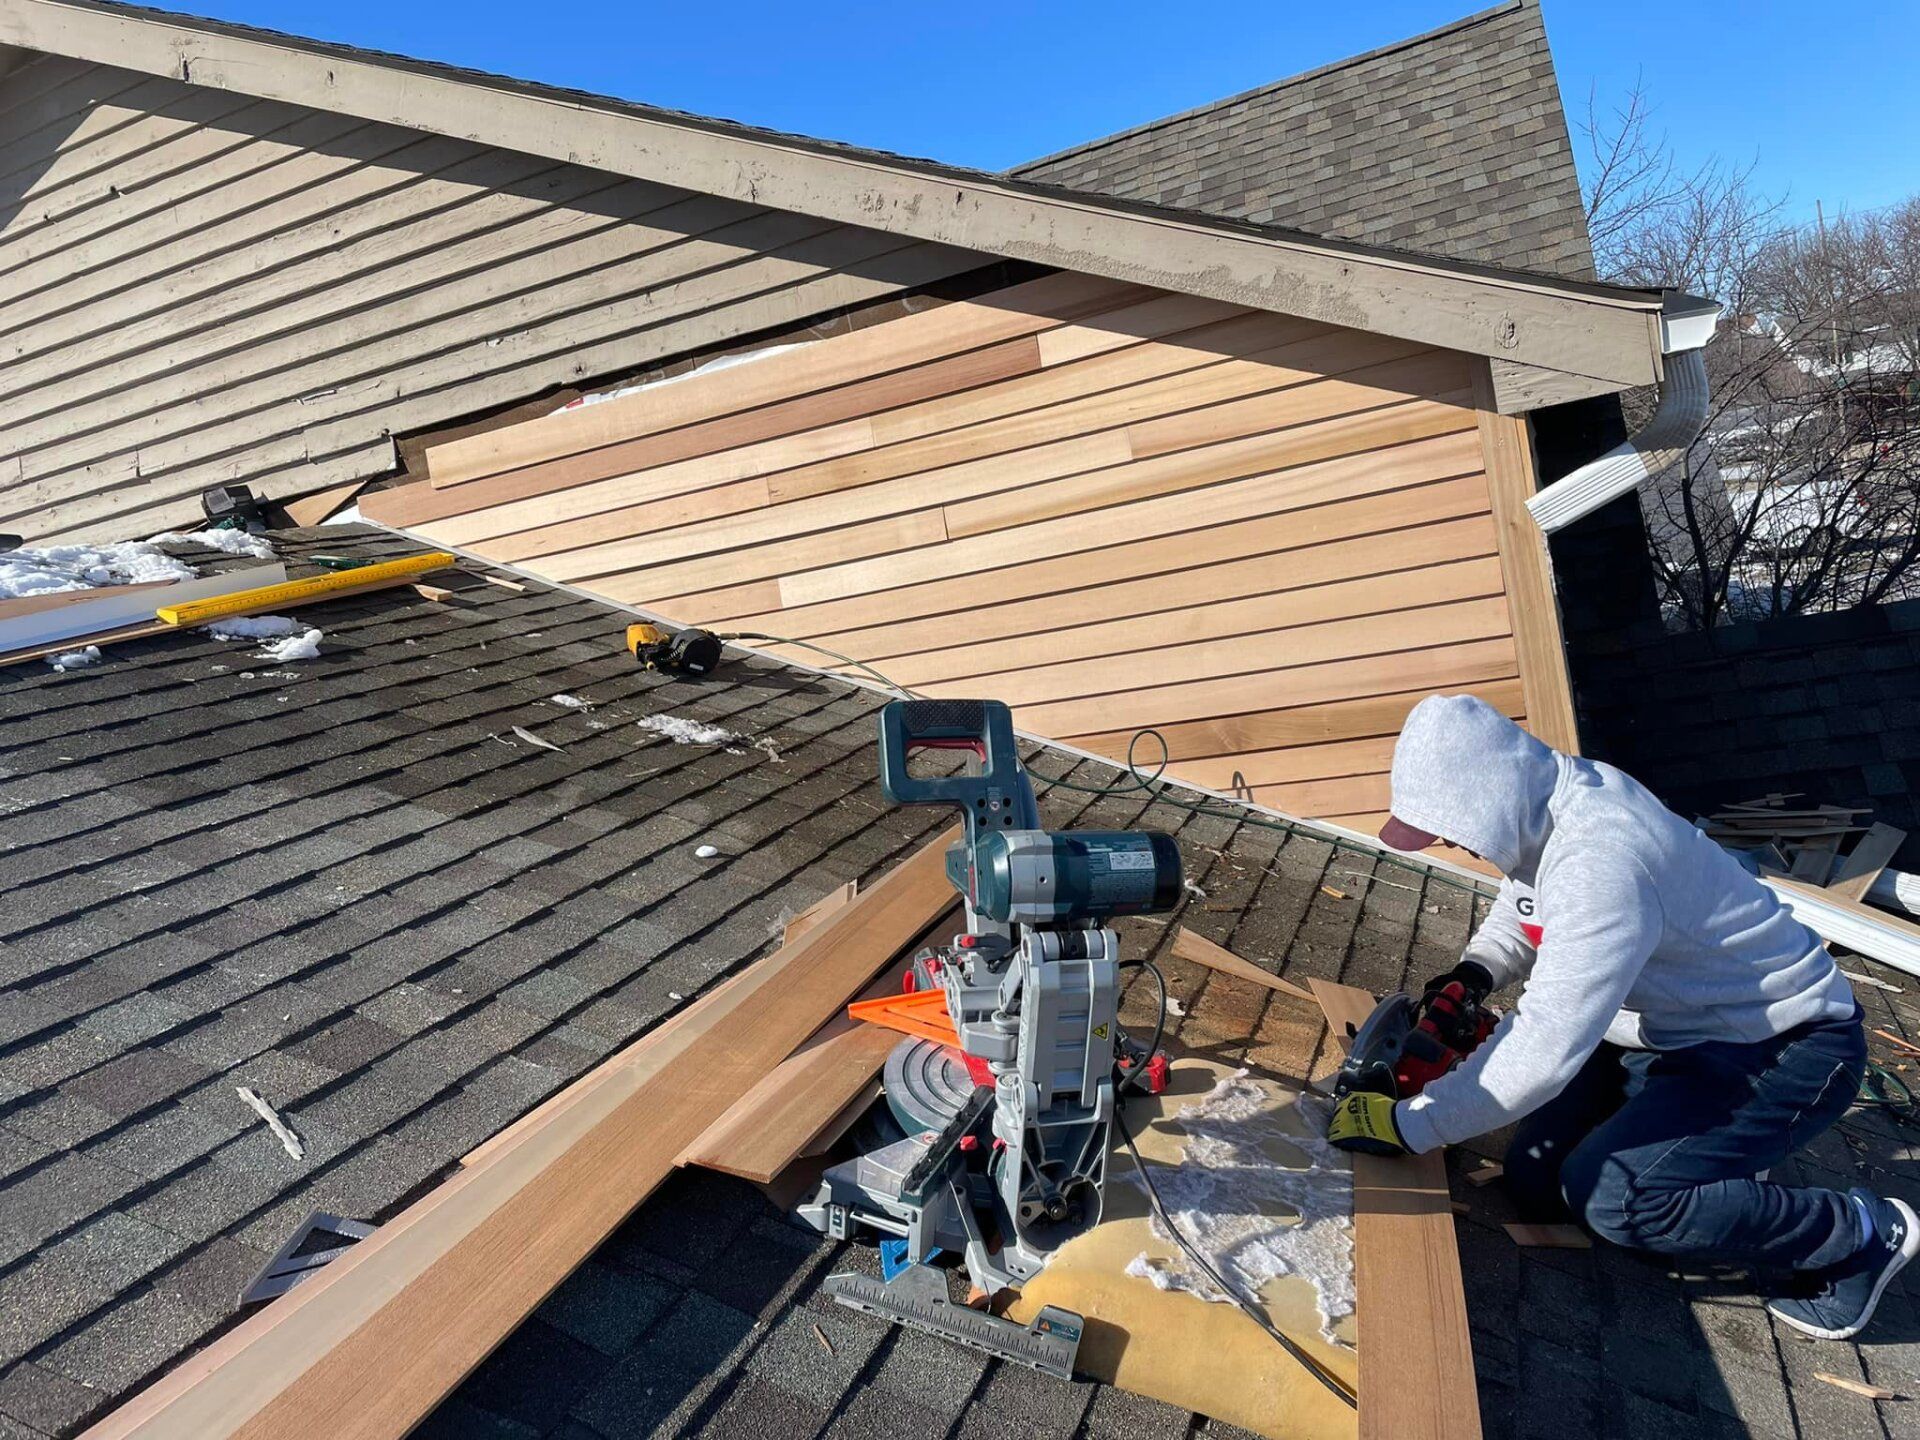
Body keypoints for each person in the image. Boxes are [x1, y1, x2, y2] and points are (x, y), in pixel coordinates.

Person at [1325, 693, 1912, 1341]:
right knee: (1537, 1183)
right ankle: (1706, 1154)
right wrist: (1477, 971)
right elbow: (1527, 898)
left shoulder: (1602, 858)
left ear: (1490, 797)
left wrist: (1410, 1126)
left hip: (1781, 1044)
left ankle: (1859, 1234)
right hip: (1665, 1027)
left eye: (1450, 826)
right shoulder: (1550, 798)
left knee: (1619, 1200)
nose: (1446, 841)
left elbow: (1545, 1046)